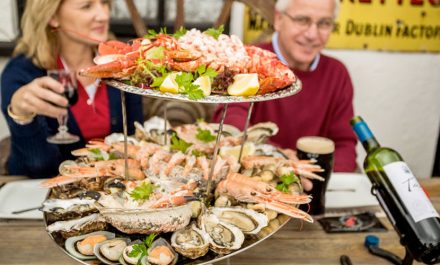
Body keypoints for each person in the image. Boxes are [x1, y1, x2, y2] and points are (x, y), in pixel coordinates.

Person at [0, 0, 143, 178]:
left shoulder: (121, 63)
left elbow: (134, 143)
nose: (104, 15)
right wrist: (22, 117)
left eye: (105, 3)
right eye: (86, 6)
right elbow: (39, 167)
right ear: (52, 17)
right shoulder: (21, 74)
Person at [213, 0, 357, 173]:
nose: (312, 34)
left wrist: (316, 174)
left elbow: (345, 145)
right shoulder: (247, 61)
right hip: (255, 178)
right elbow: (232, 122)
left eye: (324, 23)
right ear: (279, 20)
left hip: (311, 182)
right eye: (302, 20)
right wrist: (280, 159)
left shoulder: (337, 73)